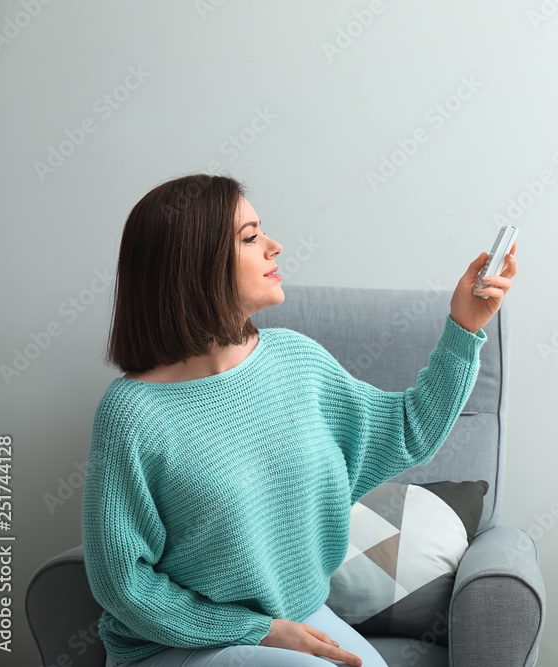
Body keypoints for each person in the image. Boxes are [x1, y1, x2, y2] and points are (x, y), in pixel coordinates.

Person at [81, 173, 517, 667]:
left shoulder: (296, 361)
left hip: (297, 615)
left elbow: (408, 429)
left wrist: (464, 328)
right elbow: (122, 585)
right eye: (250, 237)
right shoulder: (131, 415)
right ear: (193, 267)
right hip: (179, 644)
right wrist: (257, 630)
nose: (275, 246)